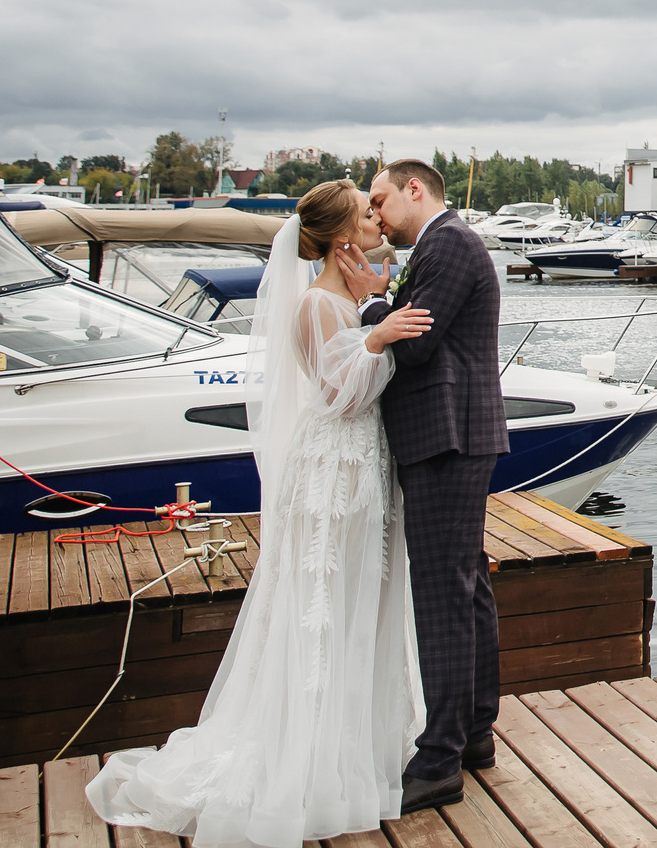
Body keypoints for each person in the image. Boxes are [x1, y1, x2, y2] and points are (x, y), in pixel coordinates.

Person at [88, 182, 434, 848]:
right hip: (331, 468)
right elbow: (338, 394)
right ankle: (305, 759)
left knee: (361, 595)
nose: (378, 218)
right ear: (342, 238)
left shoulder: (351, 298)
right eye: (367, 213)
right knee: (320, 602)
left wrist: (374, 320)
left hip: (363, 464)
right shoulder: (317, 303)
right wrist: (377, 336)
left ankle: (355, 745)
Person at [353, 158, 510, 813]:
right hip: (453, 434)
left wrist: (372, 302)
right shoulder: (442, 244)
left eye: (380, 200)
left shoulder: (447, 243)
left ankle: (440, 756)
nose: (376, 214)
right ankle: (472, 731)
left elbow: (413, 343)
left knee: (443, 593)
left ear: (414, 189)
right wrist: (387, 299)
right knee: (465, 585)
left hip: (448, 436)